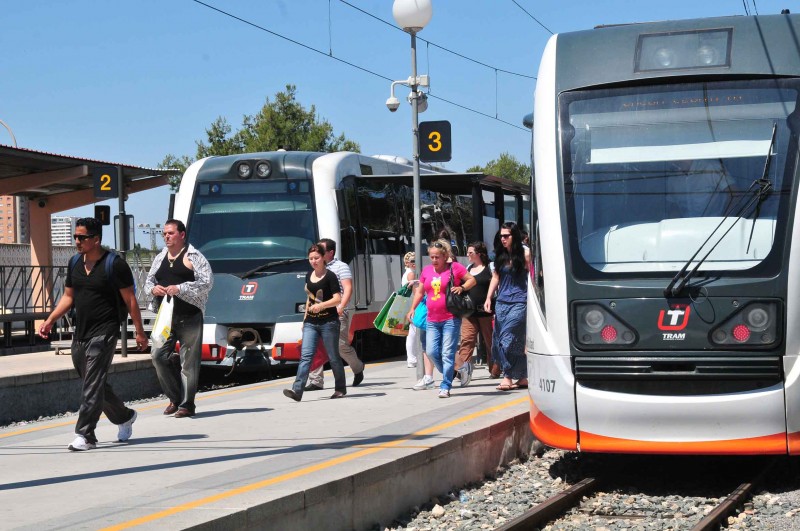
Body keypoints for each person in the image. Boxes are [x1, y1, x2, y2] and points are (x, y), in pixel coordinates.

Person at [38, 217, 147, 451]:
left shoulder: (114, 264)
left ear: (96, 239)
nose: (77, 241)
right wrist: (50, 320)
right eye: (75, 236)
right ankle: (124, 416)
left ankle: (86, 434)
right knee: (93, 383)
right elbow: (69, 296)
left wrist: (139, 332)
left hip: (105, 331)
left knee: (91, 385)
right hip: (81, 332)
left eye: (82, 237)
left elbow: (130, 299)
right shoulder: (74, 262)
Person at [145, 219, 213, 418]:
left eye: (171, 233)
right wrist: (153, 289)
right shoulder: (160, 257)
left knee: (188, 363)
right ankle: (175, 397)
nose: (166, 236)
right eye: (164, 234)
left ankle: (186, 404)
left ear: (182, 235)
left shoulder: (194, 256)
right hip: (165, 316)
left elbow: (207, 282)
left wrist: (181, 288)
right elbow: (149, 281)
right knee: (157, 355)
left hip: (190, 315)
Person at [406, 239, 475, 398]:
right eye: (432, 257)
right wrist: (412, 309)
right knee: (430, 351)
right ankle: (456, 371)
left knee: (447, 353)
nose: (434, 260)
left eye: (437, 257)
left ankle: (445, 386)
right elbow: (420, 292)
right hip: (432, 319)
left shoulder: (455, 268)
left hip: (450, 318)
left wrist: (462, 287)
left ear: (445, 256)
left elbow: (472, 279)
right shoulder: (427, 271)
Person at [284, 244, 347, 401]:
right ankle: (297, 390)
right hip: (311, 322)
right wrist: (305, 319)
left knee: (333, 356)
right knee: (306, 356)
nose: (313, 261)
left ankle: (340, 388)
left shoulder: (330, 276)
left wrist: (321, 305)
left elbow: (337, 299)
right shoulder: (308, 275)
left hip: (329, 322)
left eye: (316, 258)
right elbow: (309, 299)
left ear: (323, 258)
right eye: (311, 258)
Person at [304, 238, 365, 391]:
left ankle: (358, 367)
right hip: (317, 314)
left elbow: (347, 288)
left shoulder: (340, 267)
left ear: (330, 253)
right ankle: (316, 381)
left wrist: (341, 307)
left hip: (337, 311)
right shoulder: (315, 269)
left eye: (321, 251)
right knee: (316, 346)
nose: (317, 254)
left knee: (340, 346)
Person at [485, 222, 530, 391]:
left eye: (506, 236)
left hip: (520, 301)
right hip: (502, 302)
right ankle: (523, 376)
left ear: (514, 236)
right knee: (508, 340)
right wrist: (489, 297)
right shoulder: (500, 255)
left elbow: (533, 277)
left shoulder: (525, 254)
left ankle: (507, 375)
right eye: (501, 236)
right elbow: (496, 278)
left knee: (507, 338)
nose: (502, 239)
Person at [454, 242, 498, 387]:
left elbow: (497, 284)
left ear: (479, 253)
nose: (468, 255)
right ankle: (463, 370)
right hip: (469, 311)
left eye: (470, 252)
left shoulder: (490, 268)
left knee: (490, 341)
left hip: (486, 312)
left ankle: (495, 369)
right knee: (467, 340)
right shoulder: (467, 269)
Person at [401, 252, 420, 368]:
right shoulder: (411, 274)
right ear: (407, 263)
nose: (414, 263)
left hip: (408, 304)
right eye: (412, 261)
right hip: (412, 304)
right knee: (414, 331)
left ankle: (411, 358)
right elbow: (414, 291)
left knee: (412, 331)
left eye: (415, 261)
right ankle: (412, 358)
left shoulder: (406, 273)